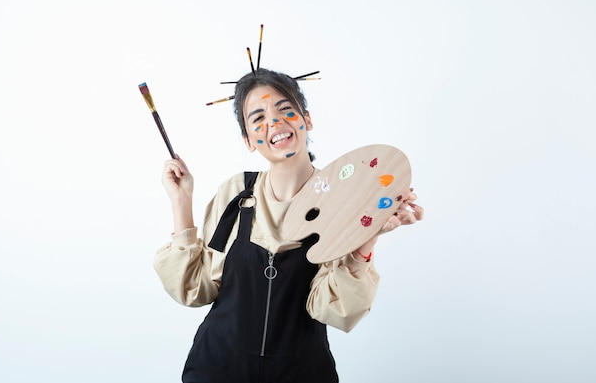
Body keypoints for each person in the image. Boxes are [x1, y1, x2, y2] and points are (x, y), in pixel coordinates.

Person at [153, 68, 424, 382]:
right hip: (217, 368)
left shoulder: (343, 202)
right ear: (248, 140)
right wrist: (181, 200)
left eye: (285, 110)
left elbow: (333, 309)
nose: (275, 123)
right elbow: (196, 289)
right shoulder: (236, 196)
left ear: (306, 120)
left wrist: (368, 235)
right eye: (258, 118)